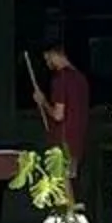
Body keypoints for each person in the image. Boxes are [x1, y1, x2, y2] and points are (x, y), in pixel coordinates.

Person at [35, 35, 91, 207]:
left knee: (63, 181)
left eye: (47, 59)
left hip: (63, 140)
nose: (47, 63)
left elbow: (58, 115)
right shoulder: (81, 79)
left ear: (55, 55)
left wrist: (42, 101)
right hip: (78, 139)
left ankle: (69, 218)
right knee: (72, 179)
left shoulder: (60, 80)